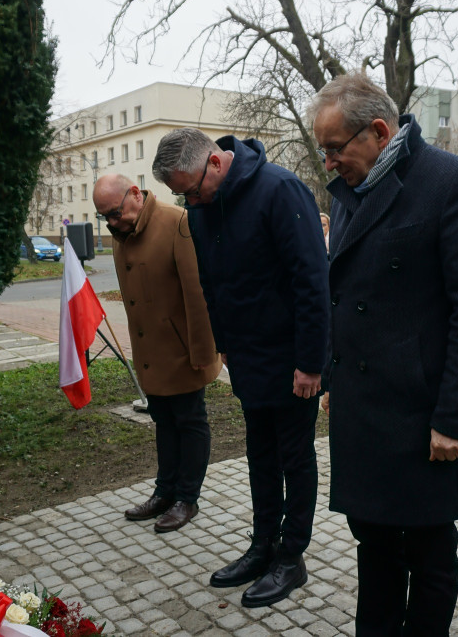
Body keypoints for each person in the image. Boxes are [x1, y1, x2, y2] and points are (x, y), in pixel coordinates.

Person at [310, 73, 458, 635]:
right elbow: (340, 294)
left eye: (334, 148)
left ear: (377, 130)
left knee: (430, 552)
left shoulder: (453, 182)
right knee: (374, 545)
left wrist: (457, 420)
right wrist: (331, 379)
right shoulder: (350, 188)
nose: (328, 162)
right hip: (365, 409)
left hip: (424, 417)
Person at [151, 127, 329, 608]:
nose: (189, 200)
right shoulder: (205, 205)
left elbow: (312, 280)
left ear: (214, 162)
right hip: (248, 358)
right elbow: (212, 282)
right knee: (260, 458)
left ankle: (292, 558)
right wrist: (225, 345)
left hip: (293, 361)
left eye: (190, 189)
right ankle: (262, 546)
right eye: (180, 194)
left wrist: (311, 362)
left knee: (295, 458)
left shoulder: (278, 188)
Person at [92, 174, 222, 533]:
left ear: (135, 193)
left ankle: (186, 498)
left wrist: (202, 351)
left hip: (183, 349)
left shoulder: (176, 222)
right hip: (151, 350)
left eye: (116, 213)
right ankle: (164, 492)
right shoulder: (122, 235)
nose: (112, 223)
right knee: (163, 421)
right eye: (105, 217)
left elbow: (197, 294)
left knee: (190, 421)